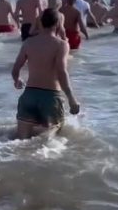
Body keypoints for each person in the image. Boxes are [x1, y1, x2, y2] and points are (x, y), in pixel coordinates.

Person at [12, 8, 80, 139]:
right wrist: (71, 98)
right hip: (50, 97)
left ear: (41, 22)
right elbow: (61, 71)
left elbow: (15, 69)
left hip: (29, 95)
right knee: (50, 142)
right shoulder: (61, 45)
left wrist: (17, 80)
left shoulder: (28, 42)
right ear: (58, 23)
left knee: (21, 141)